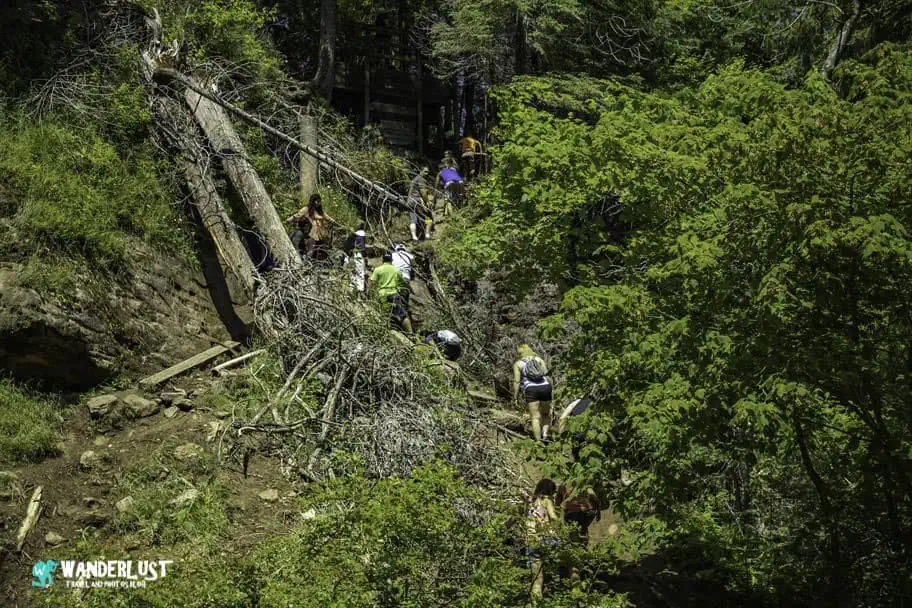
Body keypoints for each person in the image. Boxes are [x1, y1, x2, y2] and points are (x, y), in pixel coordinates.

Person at [526, 478, 560, 601]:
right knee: (554, 574)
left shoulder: (530, 501)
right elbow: (554, 517)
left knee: (537, 580)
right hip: (547, 539)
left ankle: (536, 603)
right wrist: (561, 528)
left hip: (532, 540)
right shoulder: (547, 501)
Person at [513, 344, 553, 441]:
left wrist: (515, 396)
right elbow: (547, 375)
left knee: (535, 417)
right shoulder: (539, 360)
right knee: (545, 414)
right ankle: (545, 434)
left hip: (531, 389)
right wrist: (551, 389)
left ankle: (538, 441)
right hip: (545, 387)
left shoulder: (518, 364)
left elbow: (517, 381)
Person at [369, 252, 413, 334]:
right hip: (393, 295)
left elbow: (372, 283)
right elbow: (403, 283)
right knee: (402, 315)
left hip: (381, 296)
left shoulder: (378, 270)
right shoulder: (396, 270)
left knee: (384, 315)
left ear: (382, 260)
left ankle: (386, 331)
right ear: (392, 260)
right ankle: (411, 334)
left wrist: (371, 294)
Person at [287, 193, 336, 261]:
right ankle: (307, 259)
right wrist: (289, 220)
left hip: (320, 231)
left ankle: (318, 258)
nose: (318, 203)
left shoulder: (320, 211)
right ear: (312, 201)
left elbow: (327, 217)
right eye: (316, 201)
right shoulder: (306, 209)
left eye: (319, 201)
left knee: (321, 247)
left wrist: (333, 221)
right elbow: (297, 215)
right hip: (311, 231)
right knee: (311, 247)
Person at [558, 396, 592, 461]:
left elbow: (563, 417)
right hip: (589, 431)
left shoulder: (576, 402)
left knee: (577, 449)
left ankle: (578, 462)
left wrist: (561, 434)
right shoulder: (596, 404)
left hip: (577, 430)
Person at [407, 167, 434, 242]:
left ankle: (414, 237)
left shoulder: (415, 179)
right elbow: (423, 192)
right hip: (417, 201)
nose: (427, 173)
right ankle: (427, 235)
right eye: (425, 171)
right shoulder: (421, 179)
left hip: (409, 201)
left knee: (413, 220)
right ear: (420, 171)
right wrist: (427, 202)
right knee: (429, 219)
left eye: (428, 172)